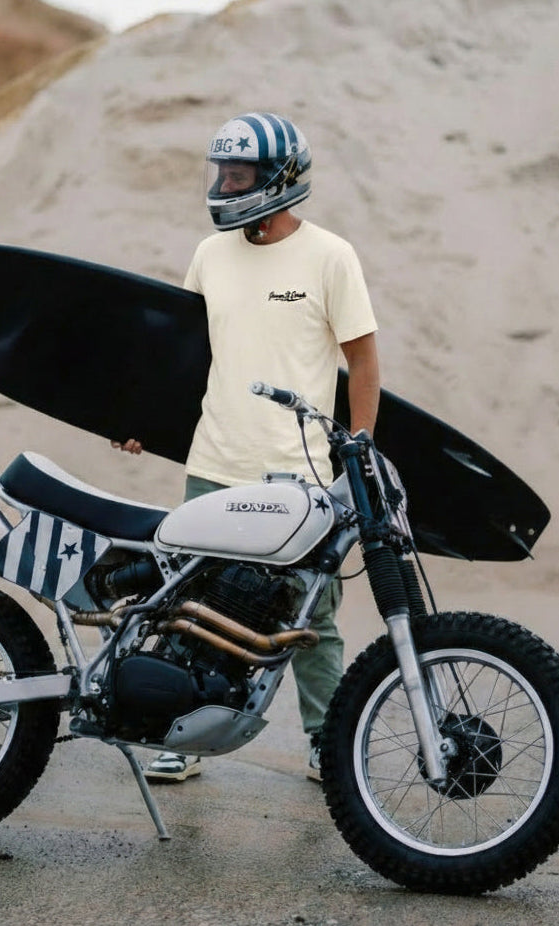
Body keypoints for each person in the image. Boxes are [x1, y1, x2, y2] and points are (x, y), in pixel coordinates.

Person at [113, 111, 379, 783]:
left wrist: (361, 447)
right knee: (189, 600)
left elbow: (364, 361)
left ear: (280, 179)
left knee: (310, 614)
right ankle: (180, 730)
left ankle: (325, 741)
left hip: (298, 474)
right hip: (213, 464)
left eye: (239, 174)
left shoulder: (330, 256)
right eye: (222, 172)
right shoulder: (210, 254)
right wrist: (147, 416)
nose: (226, 184)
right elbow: (185, 355)